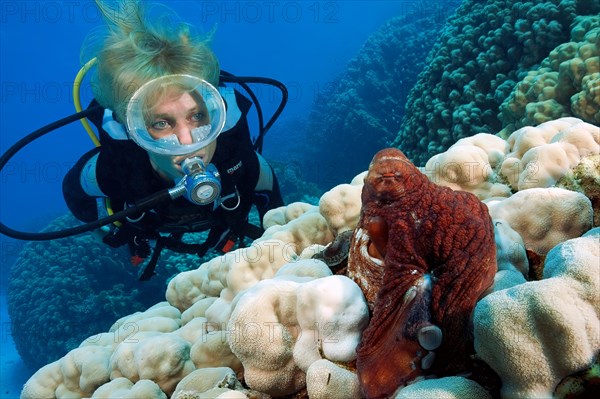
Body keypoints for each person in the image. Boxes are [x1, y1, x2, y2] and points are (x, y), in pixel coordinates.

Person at [62, 0, 284, 276]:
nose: (189, 141)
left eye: (198, 116)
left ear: (216, 113)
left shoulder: (238, 160)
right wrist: (110, 235)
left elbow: (277, 214)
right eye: (161, 123)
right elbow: (74, 191)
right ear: (134, 131)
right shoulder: (114, 170)